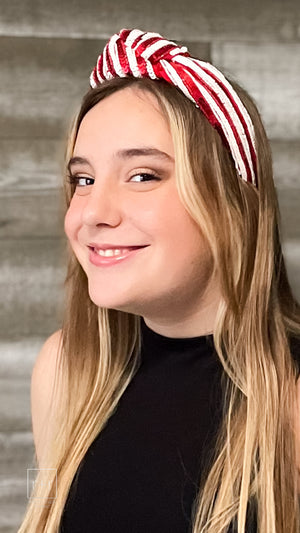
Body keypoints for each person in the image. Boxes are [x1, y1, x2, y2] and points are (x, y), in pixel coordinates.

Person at [18, 29, 300, 533]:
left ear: (232, 203)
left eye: (143, 175)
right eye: (83, 180)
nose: (93, 214)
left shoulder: (290, 401)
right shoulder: (66, 373)